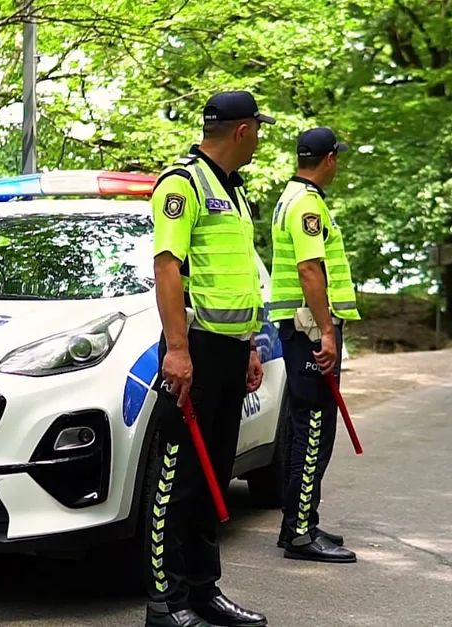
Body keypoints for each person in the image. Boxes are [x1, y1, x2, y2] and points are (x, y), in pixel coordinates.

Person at [142, 91, 274, 627]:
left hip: (229, 352)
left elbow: (235, 279)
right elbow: (167, 267)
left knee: (214, 478)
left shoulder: (234, 192)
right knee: (178, 480)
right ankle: (165, 602)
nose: (259, 139)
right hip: (193, 350)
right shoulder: (184, 184)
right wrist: (177, 350)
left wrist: (248, 347)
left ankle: (202, 591)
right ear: (242, 131)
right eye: (258, 130)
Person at [267, 126, 361, 564]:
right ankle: (301, 533)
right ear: (329, 160)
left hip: (299, 329)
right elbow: (309, 269)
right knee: (314, 431)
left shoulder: (291, 197)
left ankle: (298, 522)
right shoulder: (307, 204)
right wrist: (326, 330)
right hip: (309, 331)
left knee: (302, 427)